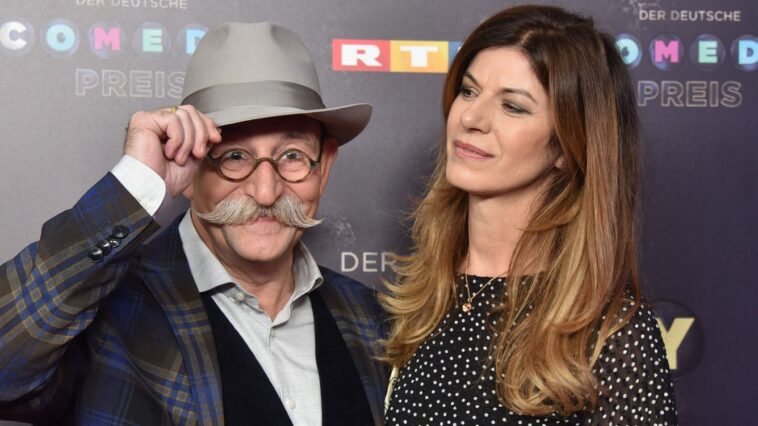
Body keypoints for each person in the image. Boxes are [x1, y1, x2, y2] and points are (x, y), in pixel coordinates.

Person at [0, 22, 388, 426]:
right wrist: (137, 184)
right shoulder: (106, 315)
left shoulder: (371, 317)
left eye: (291, 155)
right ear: (188, 166)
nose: (266, 192)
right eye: (234, 156)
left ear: (324, 167)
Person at [382, 5, 677, 425]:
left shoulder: (611, 335)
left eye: (513, 107)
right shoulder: (420, 301)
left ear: (566, 146)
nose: (471, 118)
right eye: (469, 91)